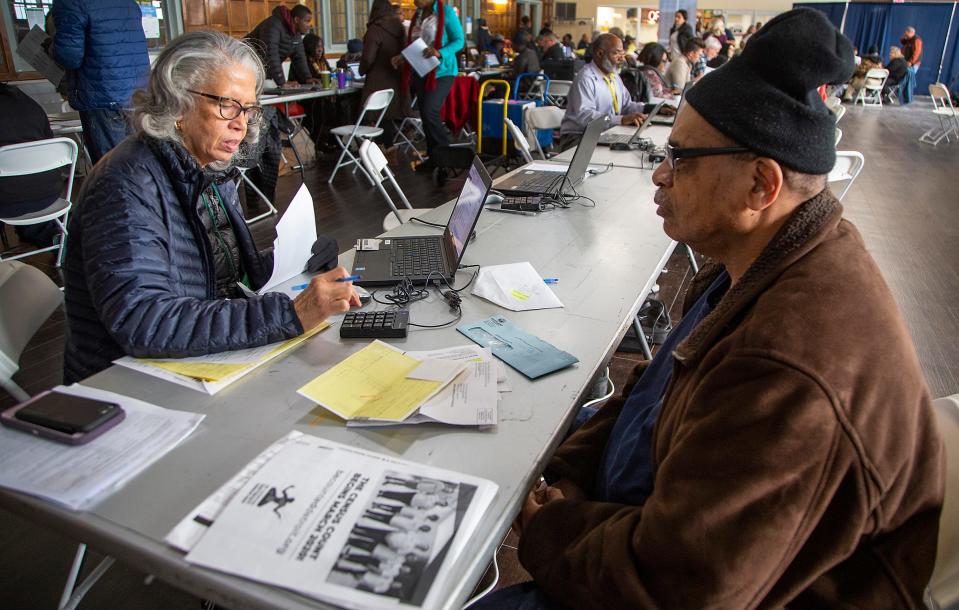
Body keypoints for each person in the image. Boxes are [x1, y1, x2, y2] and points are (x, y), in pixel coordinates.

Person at [475, 9, 944, 609]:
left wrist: (549, 529)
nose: (660, 177)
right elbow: (652, 393)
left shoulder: (789, 367)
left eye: (682, 159)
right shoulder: (759, 262)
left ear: (760, 187)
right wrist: (570, 472)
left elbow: (675, 590)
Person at [62, 31, 360, 384]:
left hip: (191, 360)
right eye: (227, 105)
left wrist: (292, 257)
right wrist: (293, 311)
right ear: (177, 104)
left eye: (248, 109)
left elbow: (221, 276)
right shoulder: (126, 184)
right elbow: (144, 320)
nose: (241, 123)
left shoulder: (206, 168)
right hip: (125, 382)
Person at [51, 0, 150, 165]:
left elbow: (69, 57)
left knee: (111, 167)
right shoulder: (129, 3)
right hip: (138, 92)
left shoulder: (71, 3)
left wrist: (52, 47)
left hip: (102, 94)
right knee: (138, 163)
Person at [392, 0, 464, 172]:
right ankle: (435, 159)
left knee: (430, 111)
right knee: (425, 114)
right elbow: (417, 44)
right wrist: (403, 56)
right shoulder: (418, 15)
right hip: (421, 71)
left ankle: (445, 159)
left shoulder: (445, 12)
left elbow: (459, 40)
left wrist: (440, 52)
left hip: (442, 71)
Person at [0, 83, 66, 247]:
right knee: (23, 185)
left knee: (13, 189)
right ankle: (50, 236)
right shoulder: (25, 101)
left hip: (6, 201)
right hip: (48, 195)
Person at [559, 33, 650, 150]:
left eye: (622, 53)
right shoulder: (586, 78)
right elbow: (586, 116)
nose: (622, 58)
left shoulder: (614, 76)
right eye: (616, 53)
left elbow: (626, 105)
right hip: (578, 137)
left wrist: (647, 109)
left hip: (606, 132)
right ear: (600, 53)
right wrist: (621, 120)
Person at [361, 0, 409, 145]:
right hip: (397, 86)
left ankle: (370, 154)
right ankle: (388, 155)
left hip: (377, 84)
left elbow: (368, 59)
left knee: (369, 118)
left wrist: (362, 70)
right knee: (388, 124)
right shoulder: (400, 29)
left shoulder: (375, 29)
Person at [245, 4, 318, 88]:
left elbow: (299, 58)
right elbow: (271, 54)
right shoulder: (273, 25)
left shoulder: (296, 34)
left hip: (259, 71)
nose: (309, 25)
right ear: (297, 19)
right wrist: (282, 82)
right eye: (307, 21)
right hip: (244, 66)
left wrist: (307, 78)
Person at [899, 26, 922, 104]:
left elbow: (917, 53)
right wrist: (904, 37)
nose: (905, 35)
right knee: (906, 78)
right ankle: (905, 96)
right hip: (907, 62)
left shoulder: (917, 40)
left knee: (909, 78)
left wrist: (911, 62)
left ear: (911, 33)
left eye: (906, 33)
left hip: (913, 64)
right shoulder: (908, 40)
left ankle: (908, 97)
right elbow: (902, 41)